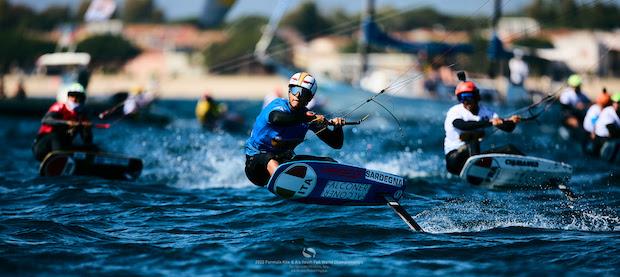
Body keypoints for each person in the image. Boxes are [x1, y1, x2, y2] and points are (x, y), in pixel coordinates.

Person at [245, 72, 345, 186]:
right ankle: (285, 184)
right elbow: (276, 118)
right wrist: (307, 119)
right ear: (289, 92)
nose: (297, 95)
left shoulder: (308, 118)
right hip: (256, 167)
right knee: (271, 159)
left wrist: (337, 128)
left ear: (310, 97)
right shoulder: (278, 106)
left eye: (302, 92)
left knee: (329, 163)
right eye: (294, 90)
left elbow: (336, 144)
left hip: (285, 163)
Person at [444, 78, 522, 175]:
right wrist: (489, 123)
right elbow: (461, 125)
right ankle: (477, 171)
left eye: (468, 96)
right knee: (473, 139)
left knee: (509, 149)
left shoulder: (486, 112)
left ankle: (528, 171)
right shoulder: (455, 111)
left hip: (474, 157)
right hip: (454, 160)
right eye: (461, 97)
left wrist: (511, 122)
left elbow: (508, 128)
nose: (465, 101)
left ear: (476, 97)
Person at [32, 83, 98, 161]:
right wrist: (67, 123)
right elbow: (45, 120)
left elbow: (87, 140)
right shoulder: (59, 107)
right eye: (72, 95)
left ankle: (91, 164)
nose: (74, 99)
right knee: (56, 136)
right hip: (43, 147)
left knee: (92, 148)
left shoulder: (83, 116)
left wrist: (86, 129)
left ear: (83, 99)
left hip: (63, 147)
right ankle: (60, 160)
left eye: (77, 96)